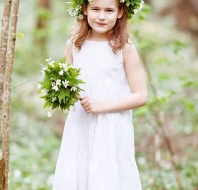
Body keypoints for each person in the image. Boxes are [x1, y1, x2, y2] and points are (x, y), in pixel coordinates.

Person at [52, 0, 147, 189]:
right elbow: (71, 84)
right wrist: (61, 91)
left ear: (120, 12)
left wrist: (102, 105)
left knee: (108, 172)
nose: (101, 16)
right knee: (80, 168)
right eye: (95, 9)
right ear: (85, 9)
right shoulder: (74, 44)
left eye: (109, 10)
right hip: (81, 123)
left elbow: (141, 95)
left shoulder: (125, 48)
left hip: (112, 125)